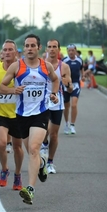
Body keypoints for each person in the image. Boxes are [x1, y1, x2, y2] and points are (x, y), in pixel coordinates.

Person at [0, 34, 59, 205]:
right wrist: (13, 90)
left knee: (34, 148)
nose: (30, 48)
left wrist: (53, 94)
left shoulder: (46, 66)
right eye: (27, 45)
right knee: (32, 152)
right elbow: (2, 87)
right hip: (21, 115)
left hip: (41, 112)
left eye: (33, 45)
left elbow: (55, 80)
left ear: (39, 48)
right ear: (23, 48)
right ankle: (42, 163)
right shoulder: (17, 67)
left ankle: (30, 189)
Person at [0, 39, 24, 190]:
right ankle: (4, 169)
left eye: (10, 50)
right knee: (2, 143)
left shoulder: (22, 68)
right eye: (5, 50)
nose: (7, 52)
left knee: (17, 146)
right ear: (2, 53)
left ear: (15, 52)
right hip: (0, 112)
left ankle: (18, 174)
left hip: (17, 114)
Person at [40, 40, 72, 174]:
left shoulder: (64, 66)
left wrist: (68, 85)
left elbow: (70, 89)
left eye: (54, 47)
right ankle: (44, 144)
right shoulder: (40, 64)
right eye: (49, 47)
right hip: (41, 101)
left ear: (58, 49)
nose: (52, 49)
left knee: (53, 134)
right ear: (46, 49)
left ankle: (50, 162)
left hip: (57, 102)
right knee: (44, 131)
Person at [62, 44, 84, 135]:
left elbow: (81, 69)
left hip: (75, 85)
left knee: (74, 105)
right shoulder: (64, 61)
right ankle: (66, 123)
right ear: (67, 51)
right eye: (69, 50)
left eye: (72, 50)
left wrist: (82, 77)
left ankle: (72, 125)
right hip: (66, 85)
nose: (71, 52)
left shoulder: (79, 60)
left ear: (75, 51)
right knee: (66, 106)